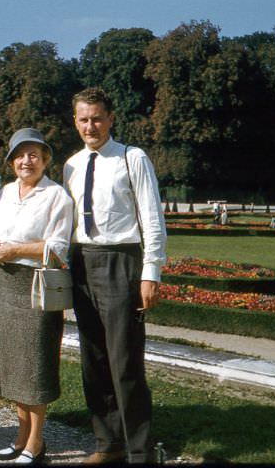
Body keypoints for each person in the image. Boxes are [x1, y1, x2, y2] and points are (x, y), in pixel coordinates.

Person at [63, 88, 167, 464]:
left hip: (121, 262)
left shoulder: (131, 158)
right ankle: (108, 443)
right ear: (75, 121)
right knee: (93, 360)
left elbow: (152, 217)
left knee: (125, 362)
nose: (90, 126)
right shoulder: (71, 165)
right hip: (82, 263)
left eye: (96, 118)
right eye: (83, 119)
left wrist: (150, 271)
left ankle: (140, 450)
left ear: (110, 119)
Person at [0, 128, 74, 465]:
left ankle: (36, 444)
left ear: (46, 159)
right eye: (20, 155)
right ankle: (20, 437)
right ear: (11, 162)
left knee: (35, 366)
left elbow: (58, 248)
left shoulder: (57, 196)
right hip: (6, 287)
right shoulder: (7, 192)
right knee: (15, 366)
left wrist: (16, 249)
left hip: (36, 289)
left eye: (34, 154)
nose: (27, 161)